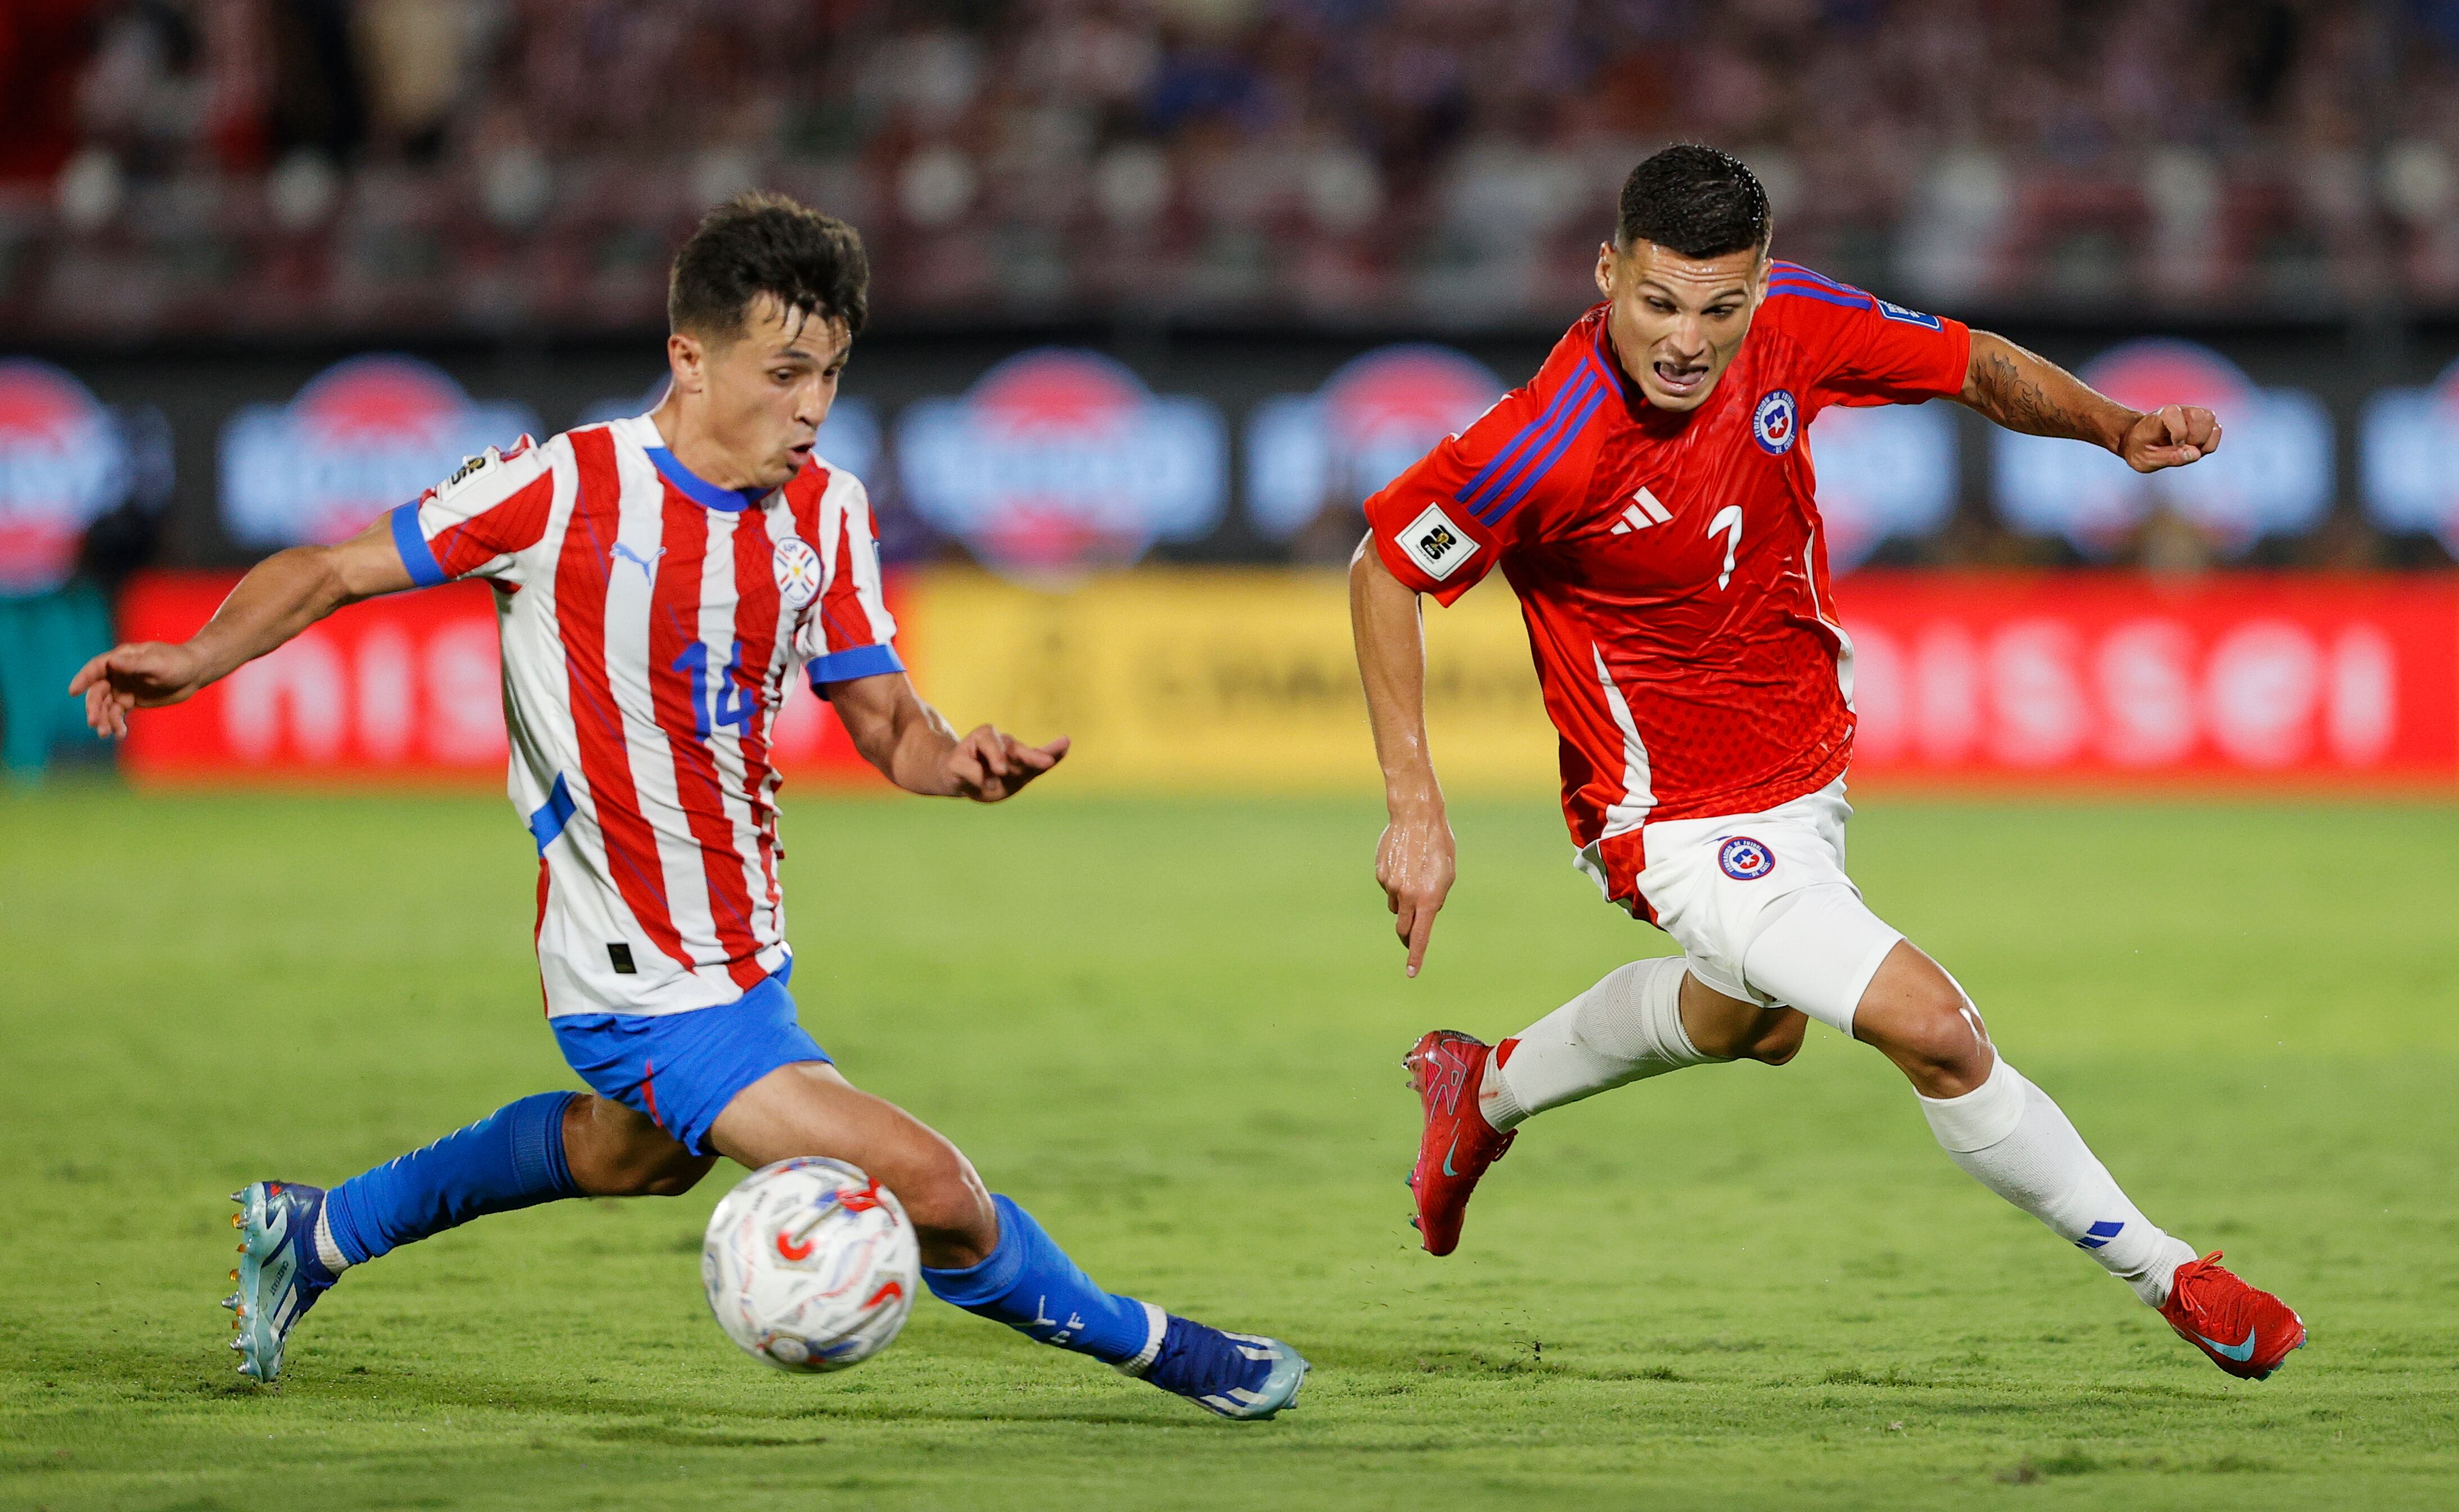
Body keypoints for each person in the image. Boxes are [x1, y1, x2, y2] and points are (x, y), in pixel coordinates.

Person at [74, 192, 1307, 1417]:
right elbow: (333, 567)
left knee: (633, 1155)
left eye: (829, 371)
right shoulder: (561, 489)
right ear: (688, 356)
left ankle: (319, 1227)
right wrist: (195, 656)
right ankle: (1173, 1353)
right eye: (784, 372)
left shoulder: (827, 510)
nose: (812, 405)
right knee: (934, 1190)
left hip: (742, 947)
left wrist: (951, 757)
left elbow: (881, 717)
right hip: (637, 969)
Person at [1349, 145, 2303, 1381]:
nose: (1686, 340)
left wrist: (2112, 428)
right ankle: (2173, 1273)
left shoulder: (1793, 320)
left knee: (1745, 1023)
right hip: (1670, 818)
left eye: (1717, 305)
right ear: (1605, 273)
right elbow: (1384, 570)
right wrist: (1415, 810)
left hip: (1805, 774)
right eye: (1656, 302)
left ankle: (1477, 1091)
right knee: (1935, 1029)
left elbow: (1973, 365)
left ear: (1754, 287)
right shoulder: (1545, 436)